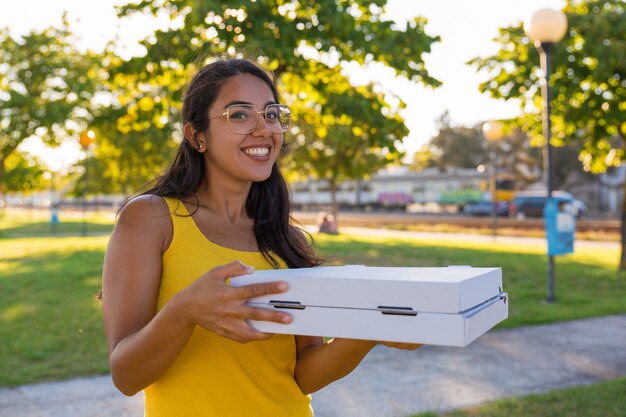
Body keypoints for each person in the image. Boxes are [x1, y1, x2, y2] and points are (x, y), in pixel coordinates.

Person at [101, 57, 419, 417]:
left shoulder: (286, 240)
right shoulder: (151, 219)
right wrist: (184, 311)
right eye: (239, 115)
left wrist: (368, 330)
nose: (263, 129)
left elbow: (302, 374)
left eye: (271, 114)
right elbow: (126, 375)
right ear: (197, 136)